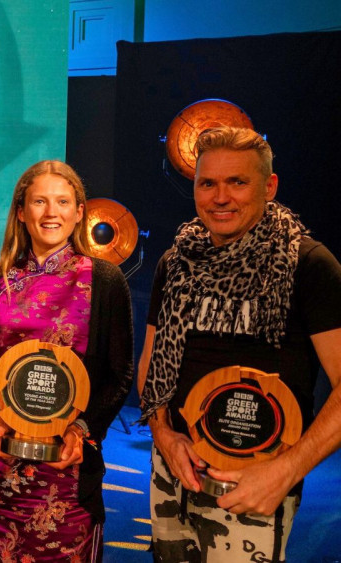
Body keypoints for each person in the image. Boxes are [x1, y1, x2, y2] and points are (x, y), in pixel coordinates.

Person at [139, 126, 341, 561]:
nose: (220, 197)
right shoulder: (175, 262)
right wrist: (165, 437)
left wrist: (285, 471)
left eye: (237, 182)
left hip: (255, 482)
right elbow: (151, 367)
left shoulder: (307, 264)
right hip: (172, 470)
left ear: (269, 186)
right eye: (207, 183)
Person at [0, 160, 133, 561]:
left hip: (69, 470)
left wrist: (82, 428)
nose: (50, 212)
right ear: (21, 212)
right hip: (5, 463)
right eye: (39, 202)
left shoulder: (105, 279)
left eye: (62, 202)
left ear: (79, 212)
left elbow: (119, 373)